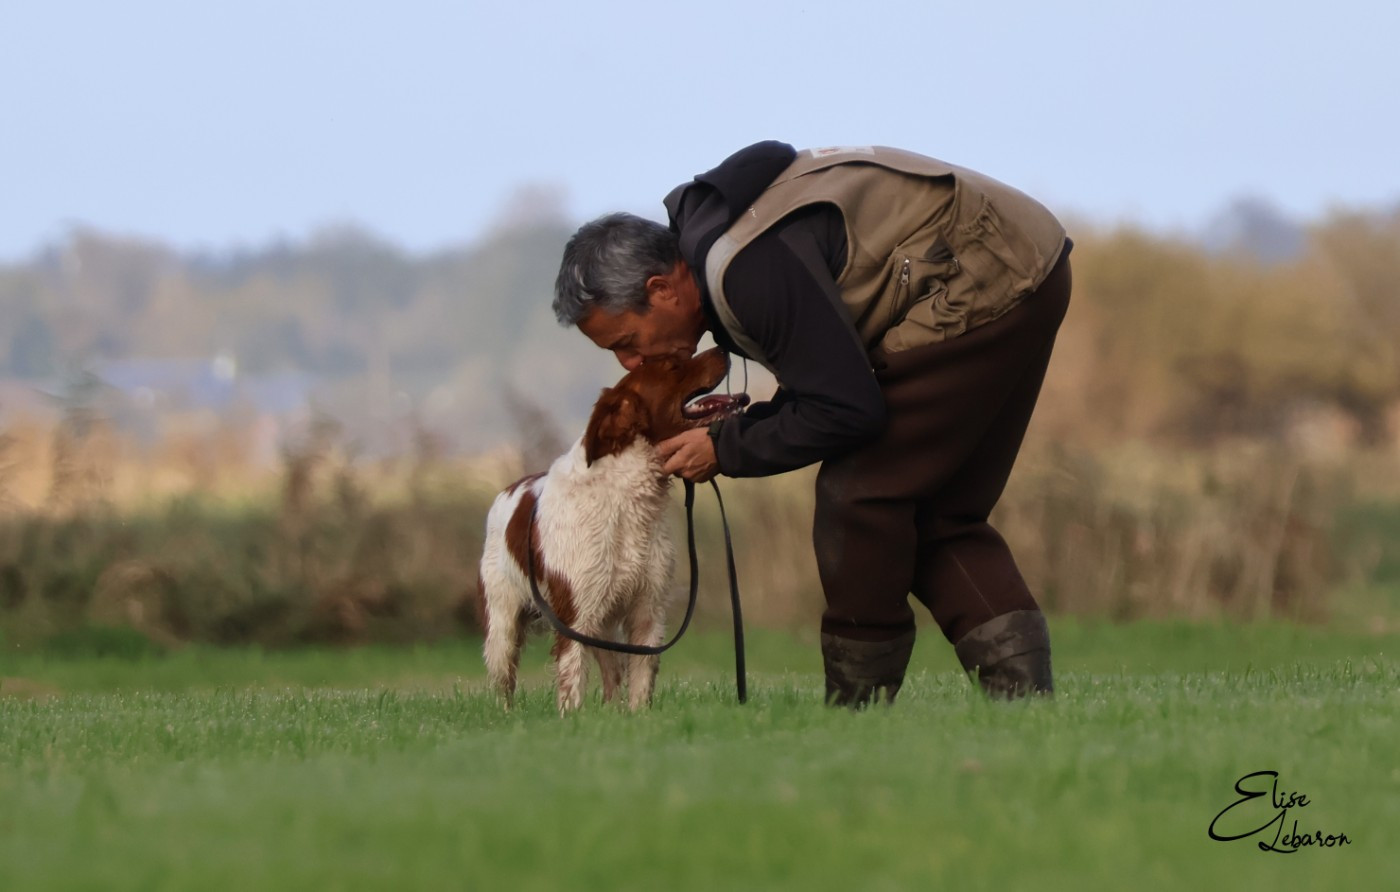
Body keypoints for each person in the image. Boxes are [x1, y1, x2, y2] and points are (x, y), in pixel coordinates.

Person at [552, 141, 1072, 707]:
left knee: (862, 496)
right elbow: (825, 390)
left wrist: (727, 448)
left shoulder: (747, 269)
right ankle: (1023, 703)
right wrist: (734, 434)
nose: (630, 363)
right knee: (939, 514)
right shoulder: (724, 242)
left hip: (987, 276)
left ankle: (856, 709)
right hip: (1027, 260)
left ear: (662, 289)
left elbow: (848, 408)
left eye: (627, 342)